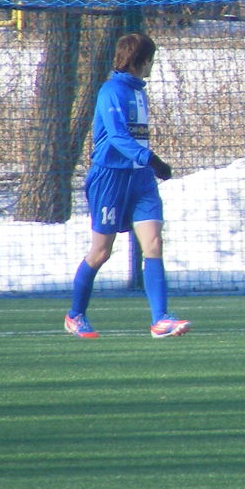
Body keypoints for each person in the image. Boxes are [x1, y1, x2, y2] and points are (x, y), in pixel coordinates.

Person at [64, 33, 190, 339]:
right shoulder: (111, 91)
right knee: (101, 252)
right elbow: (119, 138)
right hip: (110, 177)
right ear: (140, 60)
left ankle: (161, 319)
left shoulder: (138, 92)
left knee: (154, 243)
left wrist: (147, 164)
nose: (151, 66)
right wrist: (152, 159)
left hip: (140, 178)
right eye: (150, 60)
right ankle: (75, 314)